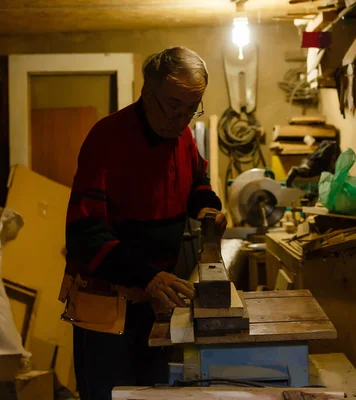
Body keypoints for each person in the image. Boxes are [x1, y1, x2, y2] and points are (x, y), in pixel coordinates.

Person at [64, 47, 227, 400]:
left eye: (191, 109)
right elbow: (85, 233)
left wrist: (209, 210)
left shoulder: (181, 137)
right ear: (146, 93)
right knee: (111, 394)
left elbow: (198, 183)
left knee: (155, 396)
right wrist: (147, 278)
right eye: (174, 106)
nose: (182, 119)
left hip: (157, 305)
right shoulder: (107, 139)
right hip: (107, 308)